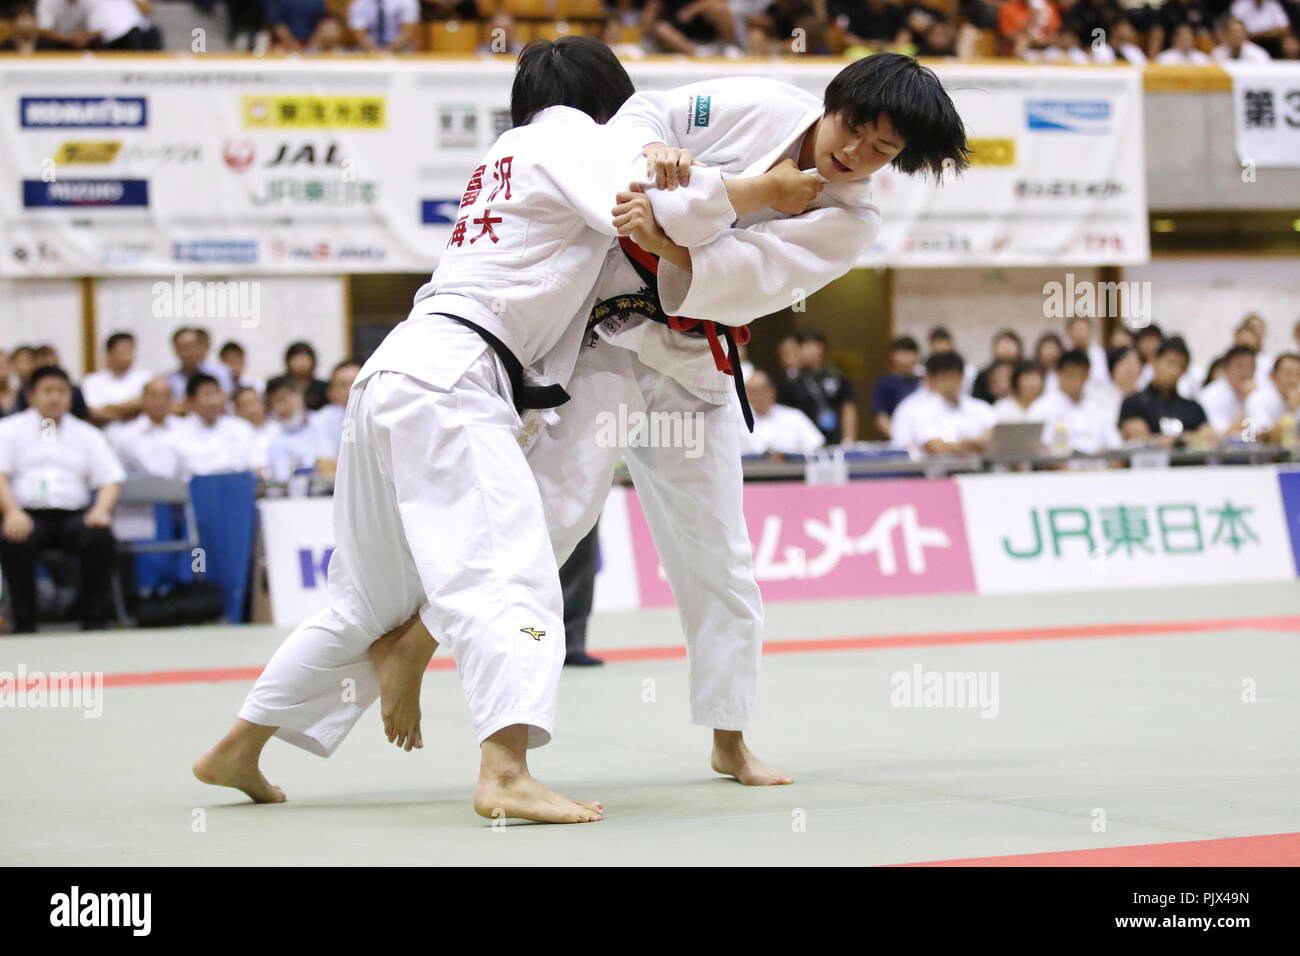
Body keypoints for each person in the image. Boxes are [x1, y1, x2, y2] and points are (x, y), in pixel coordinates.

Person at [192, 36, 787, 824]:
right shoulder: (571, 136)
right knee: (511, 572)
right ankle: (505, 769)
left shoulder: (505, 157)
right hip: (455, 378)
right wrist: (772, 188)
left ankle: (239, 744)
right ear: (609, 106)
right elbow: (651, 200)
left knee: (364, 599)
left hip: (396, 370)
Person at [344, 53, 968, 789]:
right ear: (832, 102)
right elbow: (643, 115)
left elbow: (746, 278)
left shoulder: (849, 220)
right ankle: (414, 645)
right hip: (609, 342)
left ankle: (729, 739)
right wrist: (654, 153)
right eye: (854, 128)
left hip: (697, 371)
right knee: (549, 517)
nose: (855, 154)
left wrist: (678, 231)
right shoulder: (755, 103)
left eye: (882, 152)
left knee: (719, 562)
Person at [0, 366, 124, 632]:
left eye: (61, 391)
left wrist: (101, 510)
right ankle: (25, 622)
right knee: (14, 540)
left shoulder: (88, 434)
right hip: (28, 514)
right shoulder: (9, 430)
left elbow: (110, 479)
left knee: (100, 538)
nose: (55, 398)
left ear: (71, 396)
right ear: (31, 396)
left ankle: (94, 619)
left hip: (75, 515)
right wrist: (11, 511)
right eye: (47, 391)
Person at [893, 351, 995, 454]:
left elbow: (994, 440)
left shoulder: (981, 407)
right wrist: (976, 445)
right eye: (945, 377)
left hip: (980, 468)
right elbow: (936, 447)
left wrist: (956, 445)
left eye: (955, 376)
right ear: (933, 379)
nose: (951, 382)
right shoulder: (921, 409)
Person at [1119, 338, 1215, 445]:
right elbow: (1140, 438)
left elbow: (1209, 437)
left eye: (1181, 366)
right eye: (1170, 362)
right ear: (1154, 361)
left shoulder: (1193, 407)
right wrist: (1190, 438)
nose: (1174, 371)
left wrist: (1177, 440)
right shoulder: (1133, 403)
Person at [1028, 349, 1121, 456]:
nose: (1075, 381)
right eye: (1071, 375)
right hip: (1061, 470)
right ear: (1058, 374)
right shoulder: (1040, 408)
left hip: (1100, 469)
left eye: (1081, 375)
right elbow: (1039, 448)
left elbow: (1115, 447)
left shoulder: (1098, 408)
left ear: (1087, 375)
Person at [172, 374, 265, 477]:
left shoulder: (240, 427)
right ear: (190, 401)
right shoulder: (178, 432)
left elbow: (256, 464)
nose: (213, 401)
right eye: (207, 395)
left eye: (216, 393)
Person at [779, 328, 858, 445]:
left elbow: (848, 407)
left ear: (821, 348)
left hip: (835, 439)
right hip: (803, 443)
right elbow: (783, 413)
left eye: (811, 345)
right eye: (801, 346)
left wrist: (849, 439)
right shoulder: (790, 381)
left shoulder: (836, 376)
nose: (806, 350)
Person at [106, 377, 187, 480]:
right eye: (153, 396)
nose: (159, 402)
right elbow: (118, 474)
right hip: (140, 493)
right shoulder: (126, 436)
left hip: (181, 492)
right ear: (142, 399)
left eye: (165, 396)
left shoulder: (186, 430)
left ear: (172, 400)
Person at [743, 369, 827, 456]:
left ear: (771, 391)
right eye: (750, 392)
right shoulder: (738, 421)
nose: (755, 397)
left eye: (759, 391)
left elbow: (817, 445)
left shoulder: (794, 416)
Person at [82, 332, 152, 426]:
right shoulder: (91, 381)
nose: (128, 357)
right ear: (109, 354)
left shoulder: (145, 377)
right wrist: (128, 409)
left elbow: (147, 404)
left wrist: (108, 408)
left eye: (130, 352)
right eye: (123, 352)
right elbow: (92, 413)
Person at [307, 360, 360, 478]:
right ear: (331, 392)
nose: (350, 389)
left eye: (356, 383)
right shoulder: (321, 419)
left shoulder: (381, 414)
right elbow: (325, 466)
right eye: (343, 385)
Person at [264, 380, 317, 483]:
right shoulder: (269, 433)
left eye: (287, 397)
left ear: (300, 395)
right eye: (278, 400)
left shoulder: (319, 422)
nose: (286, 404)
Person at [1199, 344, 1257, 438]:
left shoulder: (1256, 393)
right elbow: (1221, 436)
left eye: (1250, 368)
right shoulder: (1211, 395)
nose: (1245, 373)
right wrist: (1246, 402)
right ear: (1226, 368)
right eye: (1240, 367)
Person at [872, 335, 921, 438]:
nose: (906, 357)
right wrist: (899, 437)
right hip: (898, 441)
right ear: (892, 355)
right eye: (902, 352)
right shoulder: (886, 383)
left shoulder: (923, 382)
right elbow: (881, 417)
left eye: (910, 352)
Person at [167, 327, 233, 403]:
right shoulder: (169, 381)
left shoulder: (220, 372)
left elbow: (225, 400)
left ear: (201, 347)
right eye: (182, 348)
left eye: (191, 347)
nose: (188, 353)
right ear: (175, 351)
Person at [1244, 353, 1300, 441]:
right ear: (1272, 375)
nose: (1294, 380)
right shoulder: (1259, 398)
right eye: (1288, 374)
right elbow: (1264, 437)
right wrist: (1291, 411)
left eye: (1298, 375)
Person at [1089, 345, 1143, 430]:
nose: (1130, 369)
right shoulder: (1098, 396)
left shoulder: (1146, 397)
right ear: (1112, 368)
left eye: (1135, 363)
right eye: (1125, 363)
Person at [266, 342, 329, 412]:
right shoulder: (276, 385)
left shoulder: (323, 387)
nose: (301, 363)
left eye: (304, 358)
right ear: (288, 361)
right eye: (296, 359)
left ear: (313, 361)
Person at [347, 0, 419, 51]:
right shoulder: (359, 3)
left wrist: (392, 48)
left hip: (401, 47)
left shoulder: (406, 1)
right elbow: (359, 34)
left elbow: (407, 31)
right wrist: (373, 50)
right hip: (368, 49)